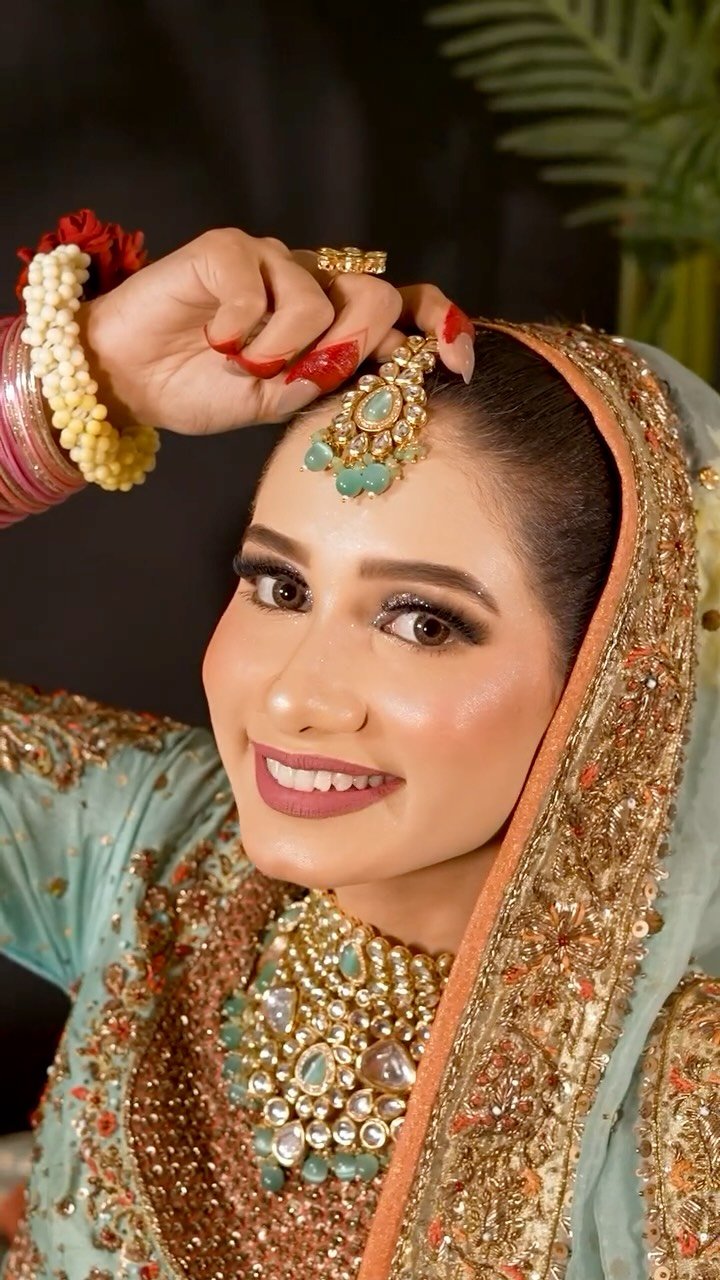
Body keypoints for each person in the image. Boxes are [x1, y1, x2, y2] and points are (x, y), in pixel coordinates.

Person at [0, 217, 718, 1280]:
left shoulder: (680, 1106)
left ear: (619, 681)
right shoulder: (150, 844)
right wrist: (75, 382)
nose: (293, 693)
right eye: (278, 586)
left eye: (421, 620)